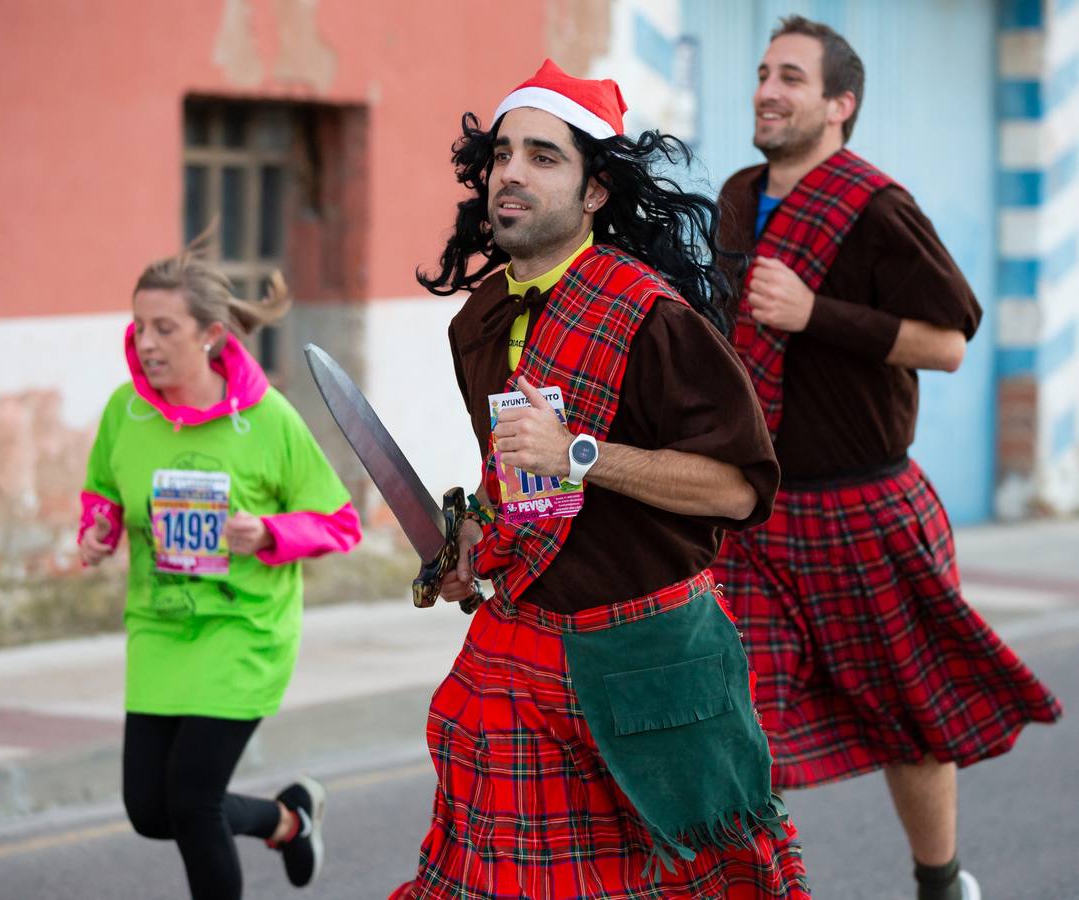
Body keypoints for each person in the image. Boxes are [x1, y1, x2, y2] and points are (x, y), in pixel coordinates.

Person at [391, 60, 810, 899]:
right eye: (504, 153)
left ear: (594, 193)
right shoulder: (480, 320)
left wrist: (580, 452)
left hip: (650, 658)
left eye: (544, 156)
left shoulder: (653, 317)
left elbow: (737, 490)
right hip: (522, 650)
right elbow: (515, 470)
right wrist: (475, 534)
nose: (511, 172)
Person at [712, 16, 1063, 900]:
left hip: (865, 507)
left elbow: (947, 342)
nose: (765, 89)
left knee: (911, 721)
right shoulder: (735, 194)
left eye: (790, 76)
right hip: (758, 512)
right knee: (738, 721)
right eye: (762, 72)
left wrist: (815, 312)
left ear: (840, 104)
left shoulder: (877, 206)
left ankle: (940, 883)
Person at [77, 239, 361, 899]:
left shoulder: (267, 420)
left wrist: (266, 531)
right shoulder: (126, 411)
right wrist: (99, 529)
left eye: (164, 328)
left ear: (209, 335)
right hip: (160, 624)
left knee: (194, 802)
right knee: (151, 811)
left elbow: (339, 522)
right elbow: (103, 491)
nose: (145, 342)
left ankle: (281, 823)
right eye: (139, 325)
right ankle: (287, 821)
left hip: (244, 628)